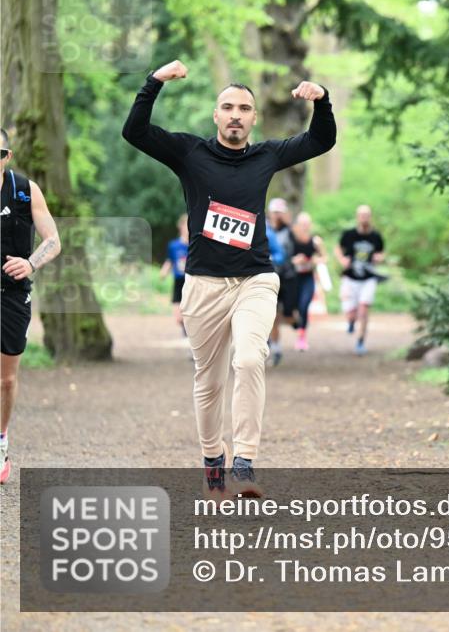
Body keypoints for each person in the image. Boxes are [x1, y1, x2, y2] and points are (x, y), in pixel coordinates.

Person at [122, 60, 336, 498]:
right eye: (228, 107)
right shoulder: (189, 153)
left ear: (254, 118)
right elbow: (136, 132)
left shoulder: (267, 155)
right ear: (216, 115)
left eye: (244, 108)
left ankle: (244, 462)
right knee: (209, 381)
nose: (236, 114)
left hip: (255, 279)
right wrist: (154, 82)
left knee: (250, 359)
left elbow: (321, 139)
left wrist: (323, 101)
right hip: (202, 284)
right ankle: (212, 459)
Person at [0, 127, 62, 485]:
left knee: (6, 379)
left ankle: (2, 440)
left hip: (11, 292)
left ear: (6, 157)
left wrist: (30, 263)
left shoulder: (24, 190)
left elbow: (53, 240)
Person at [336, 205, 384, 356]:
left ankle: (360, 341)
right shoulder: (349, 234)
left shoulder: (376, 236)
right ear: (357, 217)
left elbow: (381, 253)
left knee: (364, 309)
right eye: (361, 215)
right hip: (350, 277)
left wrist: (379, 258)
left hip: (368, 278)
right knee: (351, 313)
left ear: (370, 217)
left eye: (367, 215)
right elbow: (338, 248)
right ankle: (351, 321)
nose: (364, 218)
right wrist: (342, 259)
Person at [289, 212, 327, 352]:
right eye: (302, 224)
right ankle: (296, 325)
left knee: (304, 305)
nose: (304, 227)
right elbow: (285, 258)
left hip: (308, 277)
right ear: (297, 225)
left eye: (307, 224)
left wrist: (315, 260)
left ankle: (301, 338)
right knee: (293, 308)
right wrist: (294, 260)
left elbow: (324, 258)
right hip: (293, 278)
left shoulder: (315, 241)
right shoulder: (291, 240)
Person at [265, 198, 296, 366]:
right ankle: (274, 348)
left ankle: (273, 343)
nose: (277, 215)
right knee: (272, 315)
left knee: (290, 316)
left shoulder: (290, 231)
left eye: (280, 212)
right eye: (274, 212)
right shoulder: (262, 227)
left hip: (288, 277)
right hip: (269, 277)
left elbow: (291, 251)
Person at [159, 213, 189, 336]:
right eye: (186, 225)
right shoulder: (174, 245)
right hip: (178, 282)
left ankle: (190, 339)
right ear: (180, 227)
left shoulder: (195, 245)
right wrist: (164, 272)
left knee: (192, 314)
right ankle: (186, 332)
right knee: (179, 318)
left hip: (191, 282)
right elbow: (170, 260)